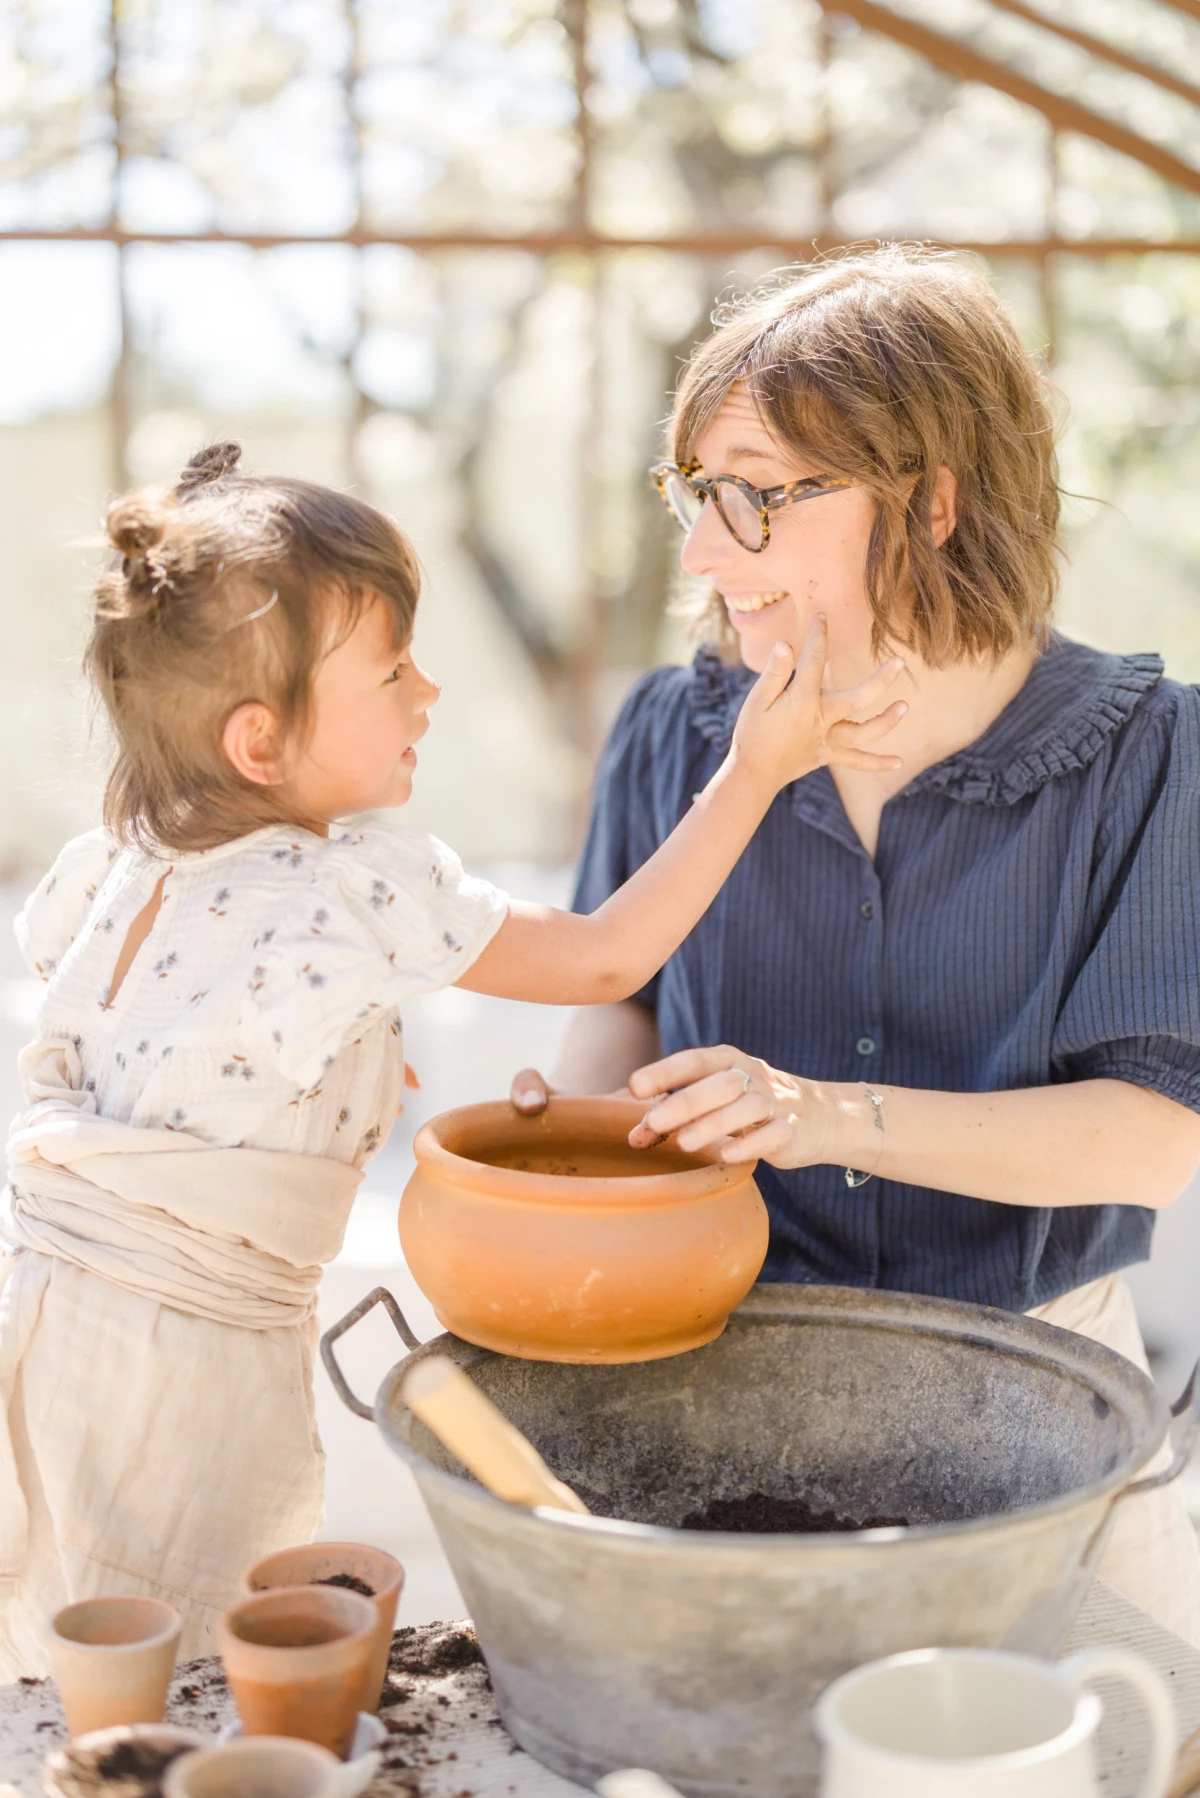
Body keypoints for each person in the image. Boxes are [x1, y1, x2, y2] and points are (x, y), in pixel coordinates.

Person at [0, 441, 905, 1676]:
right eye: (389, 670)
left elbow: (151, 1052)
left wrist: (349, 1062)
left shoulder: (112, 864)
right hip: (179, 1364)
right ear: (261, 742)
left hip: (46, 1320)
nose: (428, 693)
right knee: (195, 1659)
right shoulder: (362, 881)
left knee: (70, 1656)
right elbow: (601, 958)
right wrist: (754, 768)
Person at [512, 246, 1200, 1646]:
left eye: (758, 496)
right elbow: (622, 1013)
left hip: (1045, 1408)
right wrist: (582, 1140)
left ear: (934, 499)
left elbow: (1151, 1139)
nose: (704, 551)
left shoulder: (1157, 756)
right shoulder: (669, 733)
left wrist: (819, 1116)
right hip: (712, 1389)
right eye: (696, 494)